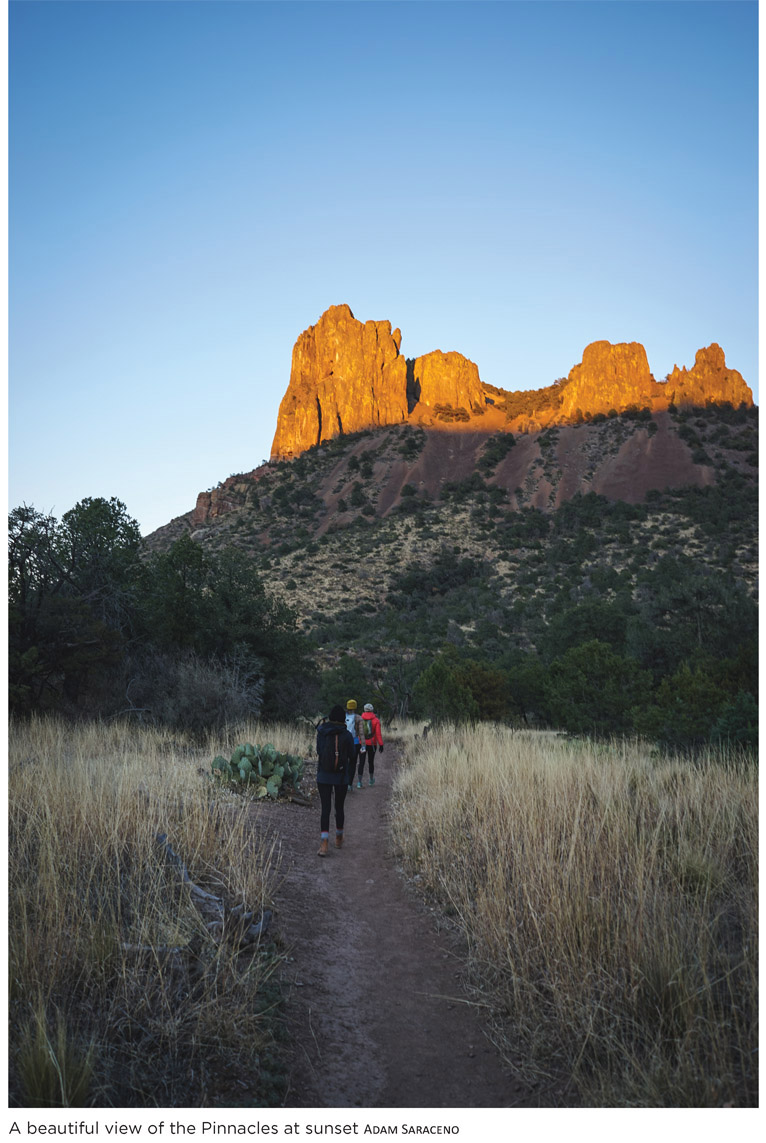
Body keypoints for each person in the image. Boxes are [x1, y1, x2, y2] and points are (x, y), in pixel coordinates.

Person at [316, 705, 355, 856]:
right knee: (339, 807)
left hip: (323, 776)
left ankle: (324, 843)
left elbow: (319, 751)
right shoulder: (346, 734)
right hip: (341, 777)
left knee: (325, 808)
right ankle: (338, 838)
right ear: (342, 719)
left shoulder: (321, 731)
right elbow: (352, 755)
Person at [359, 703, 384, 787]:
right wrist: (381, 744)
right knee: (371, 761)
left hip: (362, 744)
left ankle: (359, 782)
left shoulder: (360, 719)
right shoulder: (376, 720)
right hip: (372, 744)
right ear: (372, 710)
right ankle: (371, 780)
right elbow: (378, 734)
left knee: (361, 762)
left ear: (364, 709)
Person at [344, 699, 367, 791]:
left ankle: (343, 783)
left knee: (345, 763)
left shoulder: (343, 717)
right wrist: (363, 745)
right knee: (352, 764)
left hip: (344, 742)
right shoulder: (358, 718)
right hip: (355, 743)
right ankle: (349, 784)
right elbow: (361, 733)